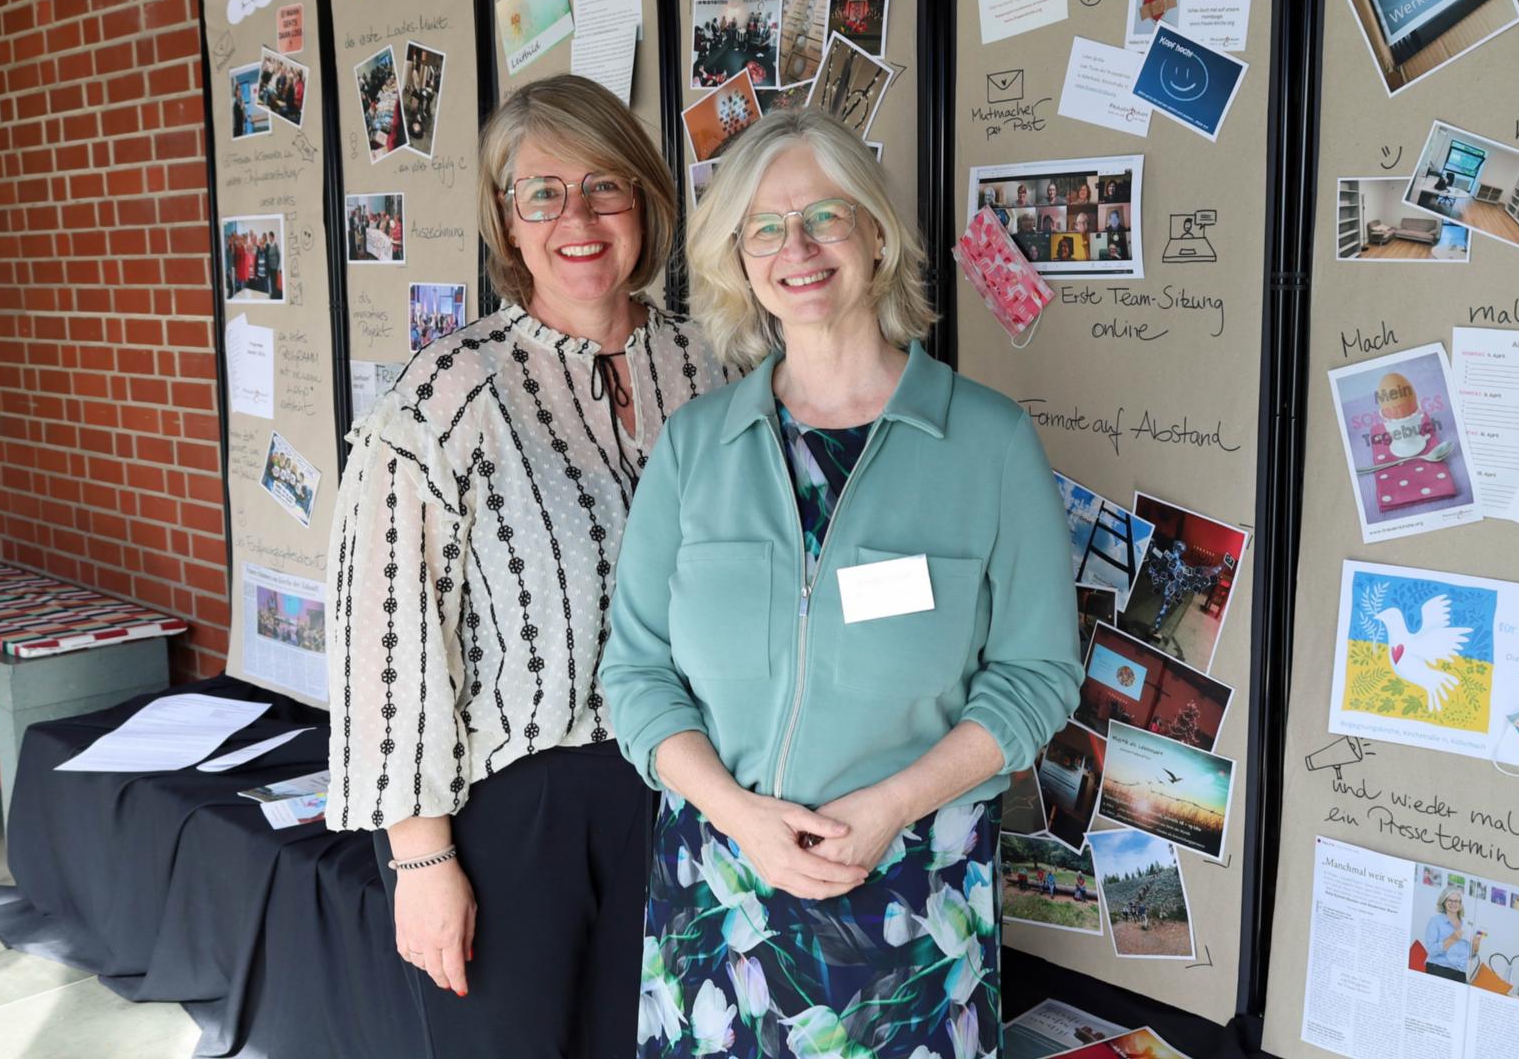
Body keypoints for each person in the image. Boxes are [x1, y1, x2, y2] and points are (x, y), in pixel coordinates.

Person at [599, 108, 1083, 1059]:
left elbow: (1036, 676)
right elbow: (636, 675)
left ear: (875, 231)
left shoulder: (987, 443)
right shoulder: (696, 448)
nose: (799, 248)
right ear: (738, 258)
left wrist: (891, 808)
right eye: (766, 228)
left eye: (825, 215)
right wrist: (741, 817)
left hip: (910, 902)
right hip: (718, 892)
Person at [325, 74, 720, 1058]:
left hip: (688, 793)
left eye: (604, 187)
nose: (575, 218)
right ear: (506, 221)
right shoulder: (445, 397)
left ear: (647, 202)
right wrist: (420, 863)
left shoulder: (712, 372)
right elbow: (386, 638)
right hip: (514, 815)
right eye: (540, 193)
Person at [1422, 885, 1479, 983]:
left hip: (1460, 972)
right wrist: (1452, 939)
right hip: (1439, 967)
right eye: (1450, 900)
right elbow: (1431, 950)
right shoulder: (1435, 921)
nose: (1453, 904)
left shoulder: (1467, 925)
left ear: (1460, 904)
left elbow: (1470, 956)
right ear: (1444, 902)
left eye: (1456, 901)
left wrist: (1475, 947)